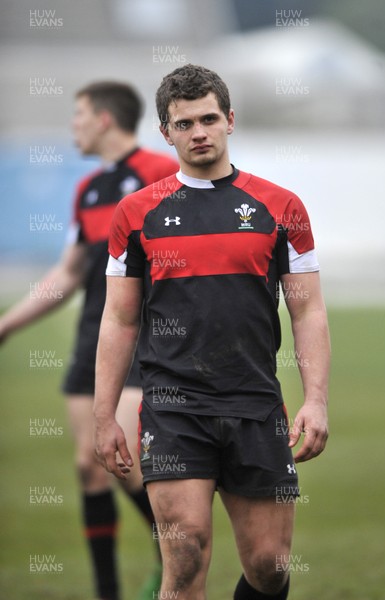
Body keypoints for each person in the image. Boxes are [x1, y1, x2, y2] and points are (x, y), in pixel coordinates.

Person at [94, 65, 330, 600]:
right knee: (185, 556)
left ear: (229, 120)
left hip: (256, 404)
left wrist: (315, 400)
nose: (198, 132)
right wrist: (103, 414)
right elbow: (119, 318)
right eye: (184, 124)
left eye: (207, 119)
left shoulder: (281, 207)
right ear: (165, 133)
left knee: (269, 567)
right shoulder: (136, 214)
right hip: (173, 408)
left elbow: (308, 312)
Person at [0, 81, 178, 600]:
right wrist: (9, 323)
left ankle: (177, 548)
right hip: (91, 337)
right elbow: (69, 273)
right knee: (88, 466)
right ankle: (108, 593)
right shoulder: (90, 191)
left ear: (103, 119)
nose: (72, 125)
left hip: (142, 340)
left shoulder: (159, 174)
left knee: (120, 461)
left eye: (78, 115)